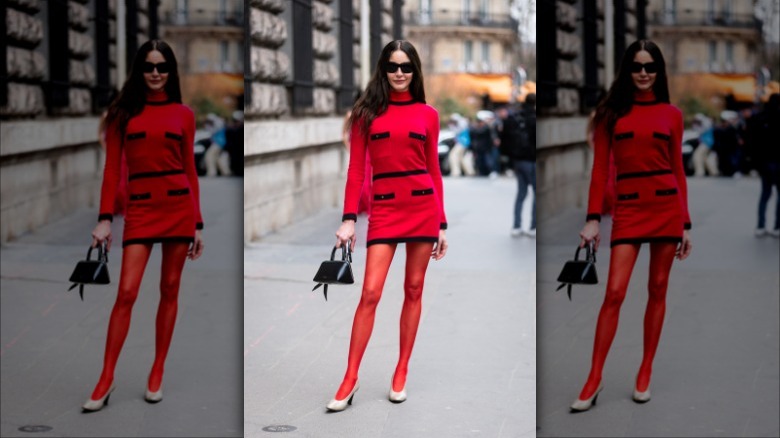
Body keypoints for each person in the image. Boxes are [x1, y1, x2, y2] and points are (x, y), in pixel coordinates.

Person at [84, 39, 204, 412]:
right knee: (127, 293)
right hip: (139, 210)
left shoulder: (184, 114)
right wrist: (105, 219)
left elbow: (190, 170)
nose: (155, 73)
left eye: (162, 66)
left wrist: (198, 223)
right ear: (139, 70)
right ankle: (106, 376)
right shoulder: (122, 113)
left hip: (178, 209)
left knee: (170, 288)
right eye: (149, 66)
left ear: (171, 71)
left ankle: (157, 370)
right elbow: (111, 169)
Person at [572, 39, 692, 412]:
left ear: (659, 71)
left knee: (658, 288)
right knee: (615, 293)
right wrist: (593, 218)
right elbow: (600, 169)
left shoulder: (672, 114)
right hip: (627, 210)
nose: (643, 73)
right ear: (627, 70)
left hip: (666, 209)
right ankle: (595, 376)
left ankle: (645, 370)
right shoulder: (610, 113)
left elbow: (678, 170)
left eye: (650, 66)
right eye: (637, 66)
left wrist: (686, 223)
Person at [328, 40, 448, 411]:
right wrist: (348, 219)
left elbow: (434, 170)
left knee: (414, 288)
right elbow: (356, 170)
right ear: (383, 70)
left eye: (406, 67)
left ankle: (401, 369)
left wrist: (442, 223)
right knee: (370, 293)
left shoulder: (428, 114)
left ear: (415, 71)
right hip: (383, 210)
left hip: (422, 208)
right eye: (393, 67)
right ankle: (351, 377)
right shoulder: (365, 114)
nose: (399, 73)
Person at [499, 96, 536, 237]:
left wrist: (508, 159)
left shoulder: (513, 118)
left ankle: (516, 225)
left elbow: (504, 140)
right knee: (535, 193)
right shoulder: (533, 118)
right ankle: (533, 226)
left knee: (521, 193)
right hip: (531, 160)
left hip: (518, 160)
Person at [748, 93, 780, 237]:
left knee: (765, 194)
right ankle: (777, 227)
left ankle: (761, 225)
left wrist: (754, 164)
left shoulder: (759, 118)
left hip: (764, 163)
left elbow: (753, 142)